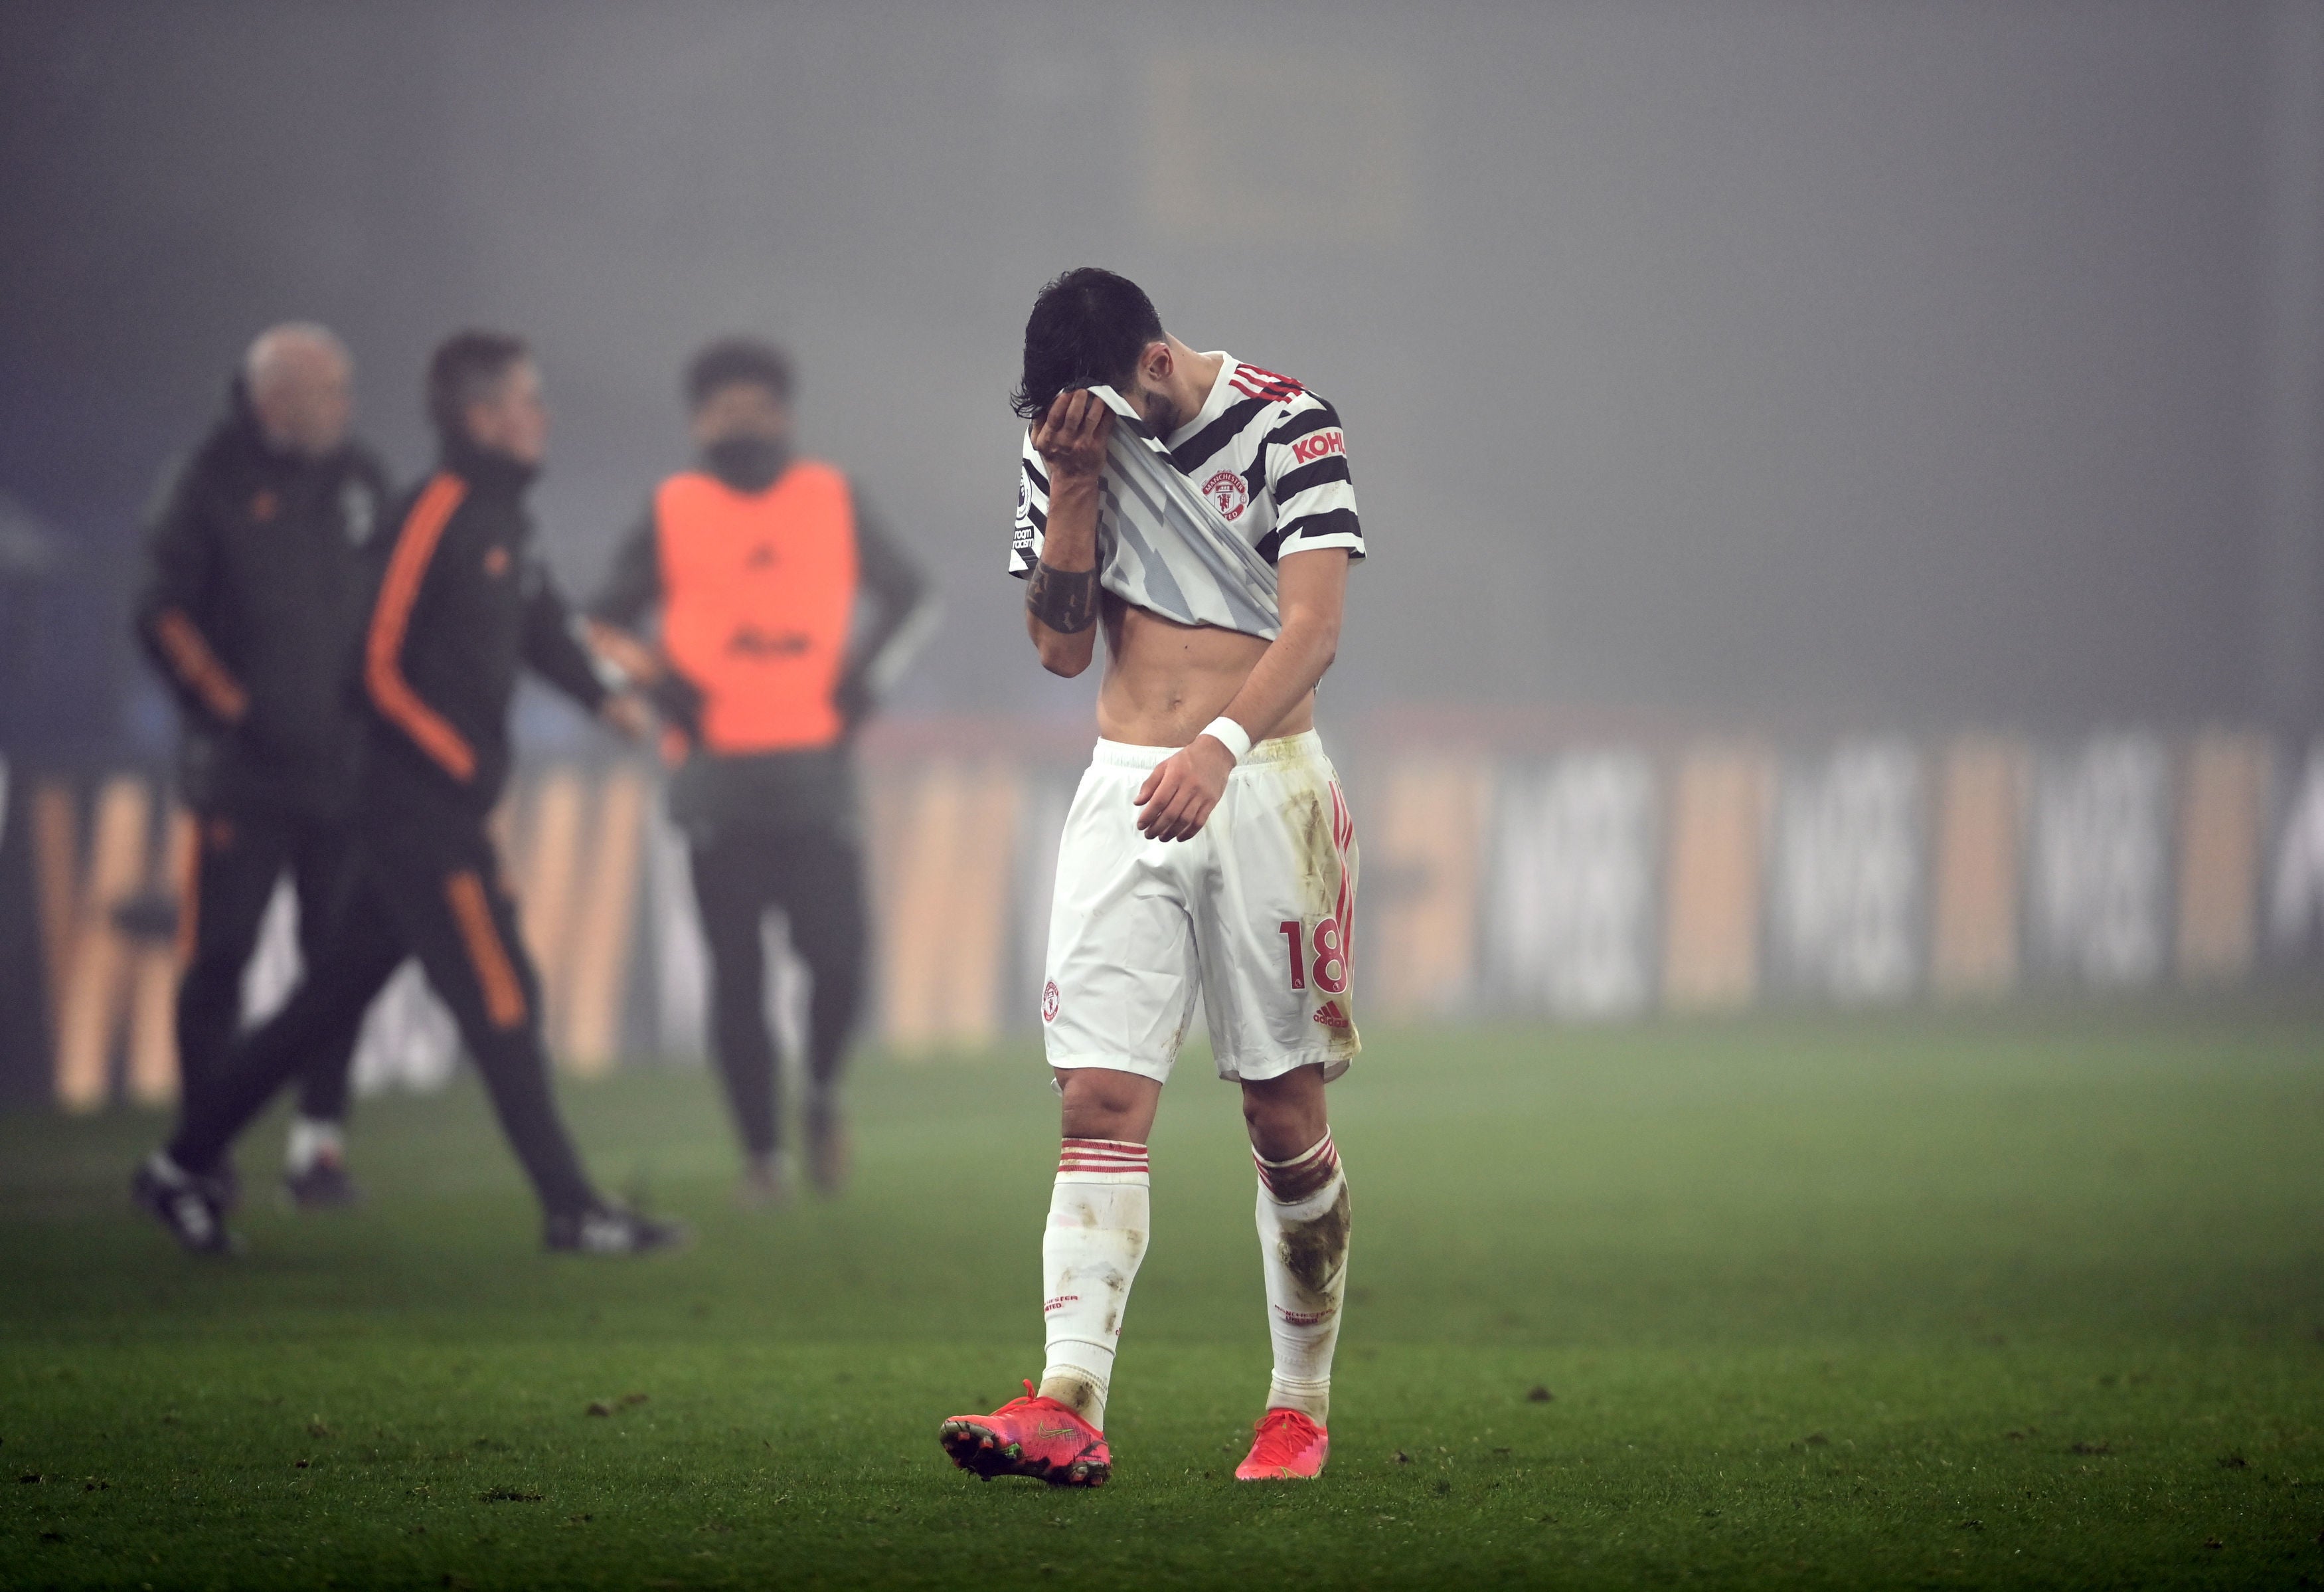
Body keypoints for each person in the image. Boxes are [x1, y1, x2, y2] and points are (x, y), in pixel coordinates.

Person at [939, 269, 1365, 1486]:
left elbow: (1316, 626)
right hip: (1126, 787)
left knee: (1281, 1117)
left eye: (1103, 422)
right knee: (1097, 1102)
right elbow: (1062, 648)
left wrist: (1218, 750)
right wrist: (1070, 487)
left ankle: (1298, 1403)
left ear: (1159, 363)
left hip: (1263, 783)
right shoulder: (1068, 442)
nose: (1087, 439)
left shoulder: (1292, 422)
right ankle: (1069, 1396)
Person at [131, 330, 682, 1257]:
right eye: (525, 400)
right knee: (502, 997)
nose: (541, 416)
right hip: (414, 810)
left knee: (325, 1002)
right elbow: (374, 664)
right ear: (482, 416)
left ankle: (183, 1162)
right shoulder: (434, 510)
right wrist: (454, 758)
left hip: (424, 807)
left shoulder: (505, 517)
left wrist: (606, 701)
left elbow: (542, 623)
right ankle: (570, 1206)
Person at [586, 338, 933, 1204]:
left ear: (783, 414)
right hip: (717, 782)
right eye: (723, 409)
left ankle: (820, 1088)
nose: (740, 423)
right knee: (736, 973)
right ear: (698, 420)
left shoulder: (830, 497)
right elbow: (598, 624)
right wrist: (668, 688)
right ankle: (762, 1158)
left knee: (841, 959)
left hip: (816, 772)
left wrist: (862, 680)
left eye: (755, 407)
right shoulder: (673, 508)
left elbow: (913, 595)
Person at [133, 322, 390, 1209]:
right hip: (243, 776)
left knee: (338, 962)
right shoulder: (207, 482)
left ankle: (320, 1144)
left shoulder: (360, 479)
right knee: (222, 959)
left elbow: (395, 601)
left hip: (343, 771)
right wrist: (233, 708)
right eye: (331, 391)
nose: (347, 407)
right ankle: (205, 1148)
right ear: (276, 396)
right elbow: (161, 612)